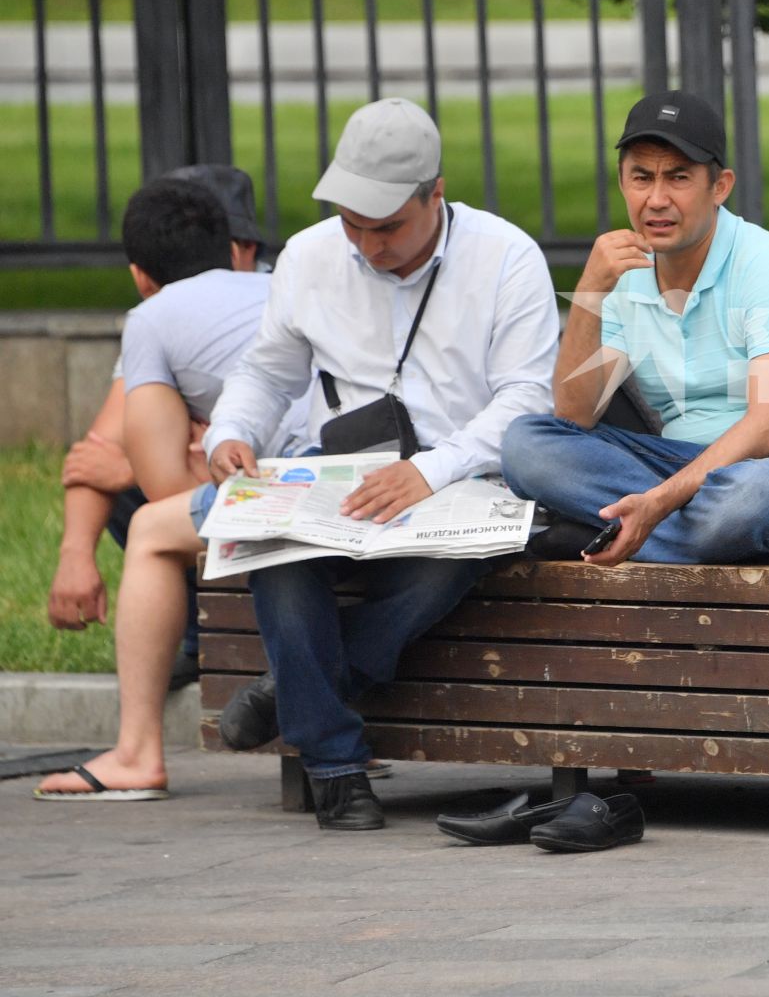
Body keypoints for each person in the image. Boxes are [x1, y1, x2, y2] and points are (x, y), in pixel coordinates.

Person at [42, 99, 559, 831]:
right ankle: (337, 768)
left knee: (455, 560)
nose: (368, 245)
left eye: (387, 227)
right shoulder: (315, 256)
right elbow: (266, 373)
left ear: (435, 193)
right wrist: (231, 431)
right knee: (276, 551)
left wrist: (431, 471)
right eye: (353, 224)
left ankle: (298, 702)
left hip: (463, 477)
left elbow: (523, 399)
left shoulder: (506, 257)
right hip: (338, 471)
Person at [501, 89, 769, 566]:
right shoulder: (624, 272)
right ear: (622, 183)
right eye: (642, 177)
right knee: (525, 445)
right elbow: (576, 415)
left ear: (719, 186)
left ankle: (614, 525)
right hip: (686, 467)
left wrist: (659, 502)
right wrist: (590, 294)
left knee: (746, 501)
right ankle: (660, 528)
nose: (656, 199)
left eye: (678, 178)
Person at [34, 175, 309, 803]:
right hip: (369, 479)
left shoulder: (151, 316)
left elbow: (161, 488)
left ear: (139, 274)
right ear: (230, 247)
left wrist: (177, 447)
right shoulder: (282, 286)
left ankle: (136, 752)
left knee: (154, 532)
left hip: (294, 495)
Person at [46, 164, 272, 689]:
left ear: (244, 250)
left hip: (281, 482)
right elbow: (95, 451)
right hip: (230, 488)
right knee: (122, 482)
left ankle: (234, 641)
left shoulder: (282, 296)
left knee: (140, 490)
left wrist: (140, 464)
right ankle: (203, 633)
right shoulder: (164, 317)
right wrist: (76, 557)